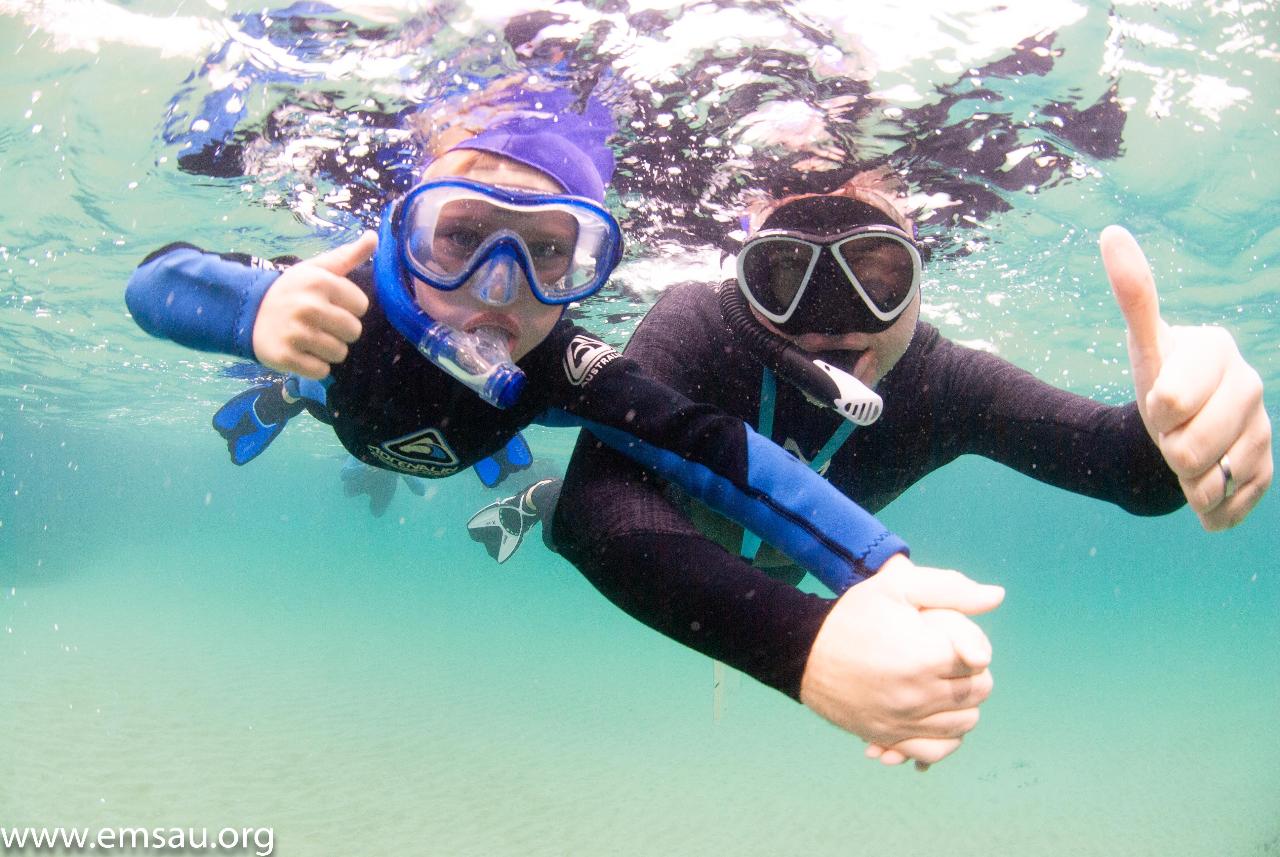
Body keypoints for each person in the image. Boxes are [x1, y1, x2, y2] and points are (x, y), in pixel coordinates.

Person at [125, 92, 995, 628]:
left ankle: (485, 451)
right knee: (307, 372)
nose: (495, 289)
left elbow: (715, 448)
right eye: (459, 236)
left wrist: (873, 563)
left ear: (585, 272)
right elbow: (154, 281)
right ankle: (280, 391)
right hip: (336, 392)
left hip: (457, 427)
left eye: (546, 254)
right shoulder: (338, 298)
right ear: (402, 233)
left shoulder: (563, 364)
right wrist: (254, 309)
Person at [549, 171, 1272, 768]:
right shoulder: (700, 325)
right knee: (555, 517)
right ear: (745, 280)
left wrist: (1181, 421)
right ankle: (529, 497)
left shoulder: (937, 381)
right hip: (685, 538)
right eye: (786, 276)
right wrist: (806, 644)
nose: (831, 322)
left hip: (749, 569)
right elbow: (596, 508)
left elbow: (1129, 470)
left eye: (875, 276)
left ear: (919, 284)